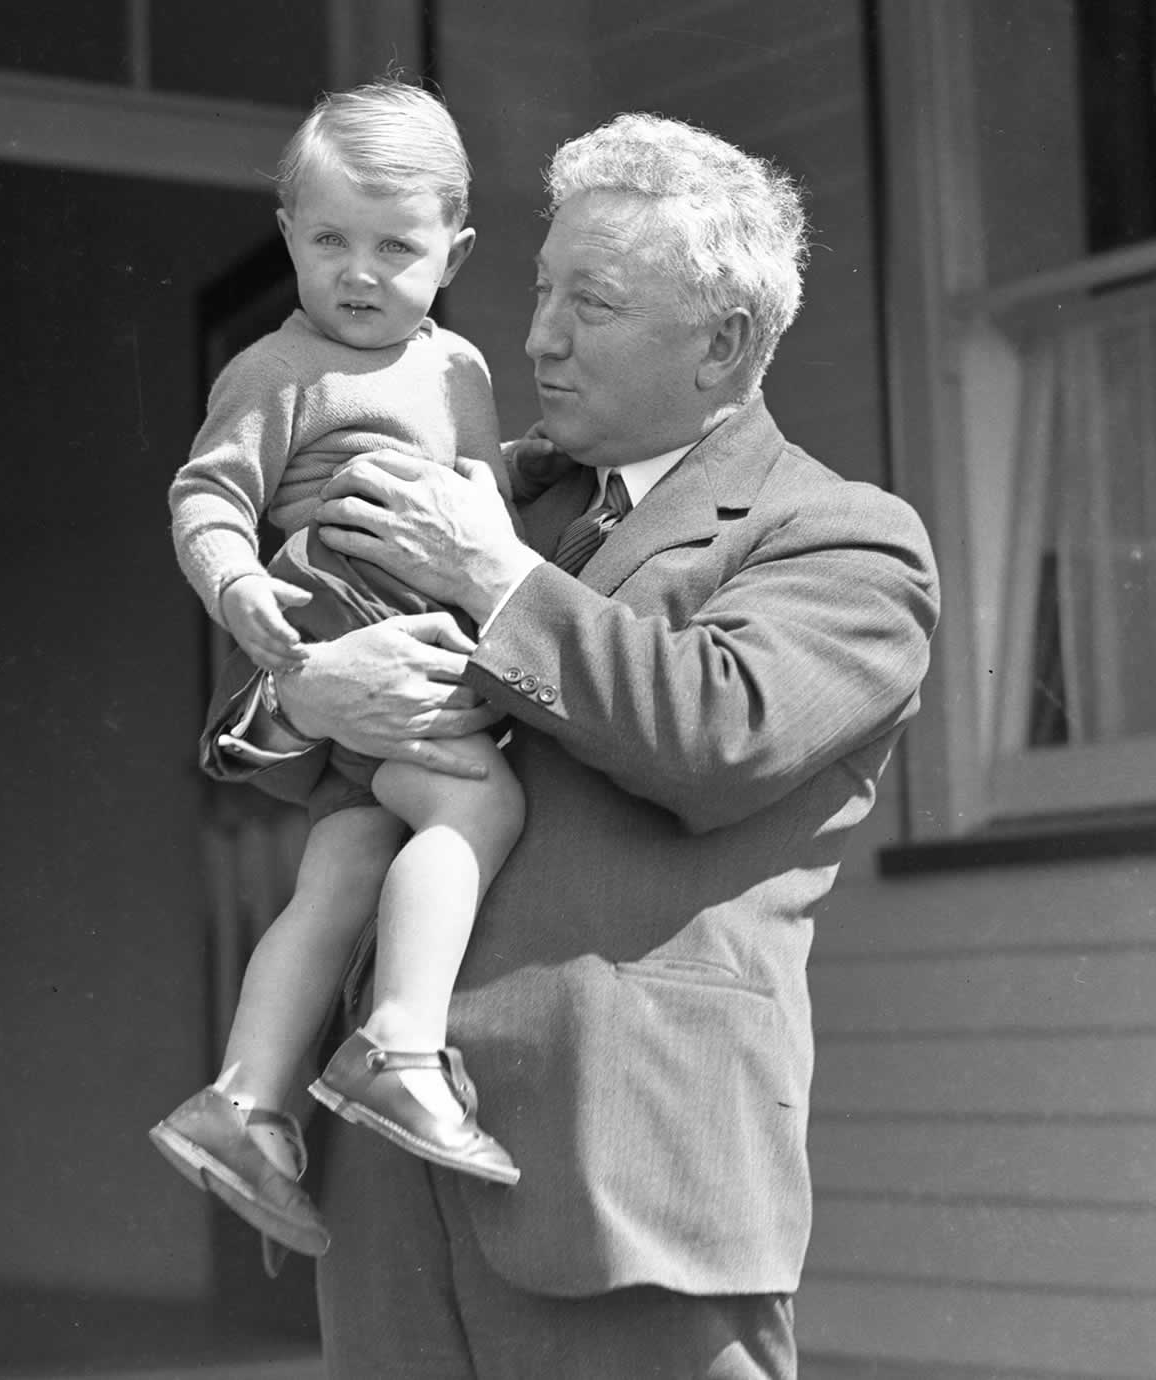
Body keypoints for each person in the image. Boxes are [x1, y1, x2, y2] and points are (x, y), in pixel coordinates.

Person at [202, 113, 939, 1377]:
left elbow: (713, 734)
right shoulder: (484, 480)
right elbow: (296, 670)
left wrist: (494, 578)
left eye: (589, 304)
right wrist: (308, 697)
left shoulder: (842, 538)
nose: (537, 335)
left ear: (724, 342)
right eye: (540, 289)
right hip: (391, 1182)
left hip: (631, 1185)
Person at [152, 81, 530, 1266]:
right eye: (328, 241)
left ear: (454, 253)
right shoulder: (280, 367)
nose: (357, 274)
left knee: (347, 862)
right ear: (289, 238)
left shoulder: (461, 367)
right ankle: (399, 1046)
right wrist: (238, 586)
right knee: (478, 802)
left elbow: (476, 497)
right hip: (343, 601)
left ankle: (246, 1098)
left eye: (394, 247)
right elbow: (207, 494)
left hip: (421, 612)